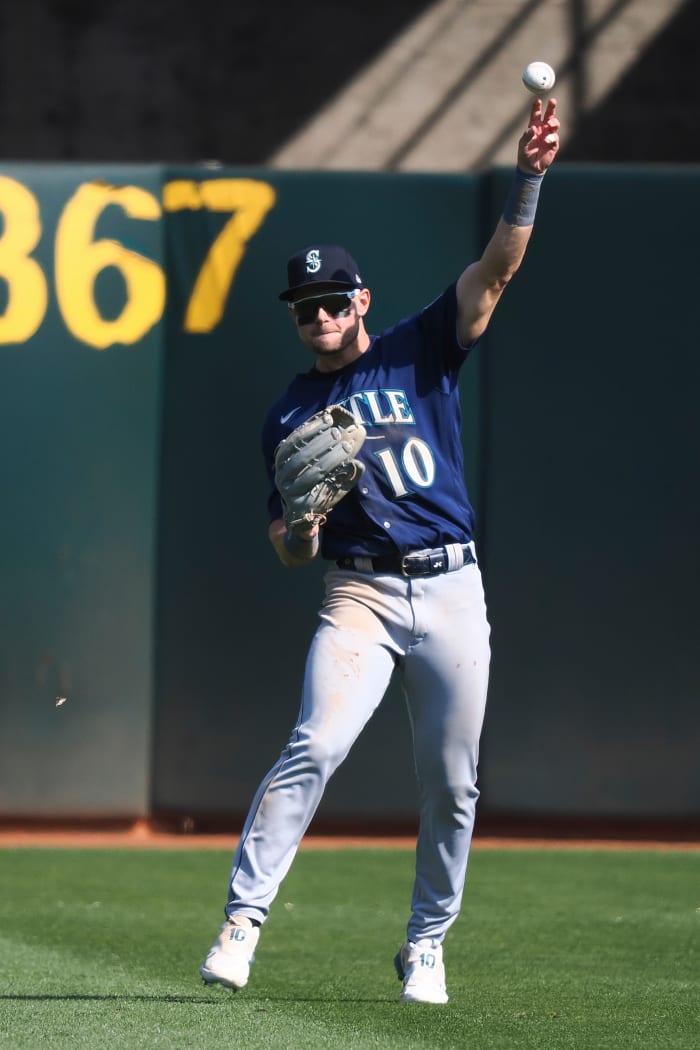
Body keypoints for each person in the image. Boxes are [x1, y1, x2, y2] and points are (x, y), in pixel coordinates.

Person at [200, 97, 560, 1004]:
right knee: (313, 744)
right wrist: (305, 530)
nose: (318, 316)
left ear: (360, 301)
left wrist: (528, 178)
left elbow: (498, 273)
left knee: (452, 785)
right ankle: (243, 923)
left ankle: (427, 943)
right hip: (355, 596)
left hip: (450, 586)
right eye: (303, 307)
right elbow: (285, 545)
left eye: (331, 301)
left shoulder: (419, 347)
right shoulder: (288, 411)